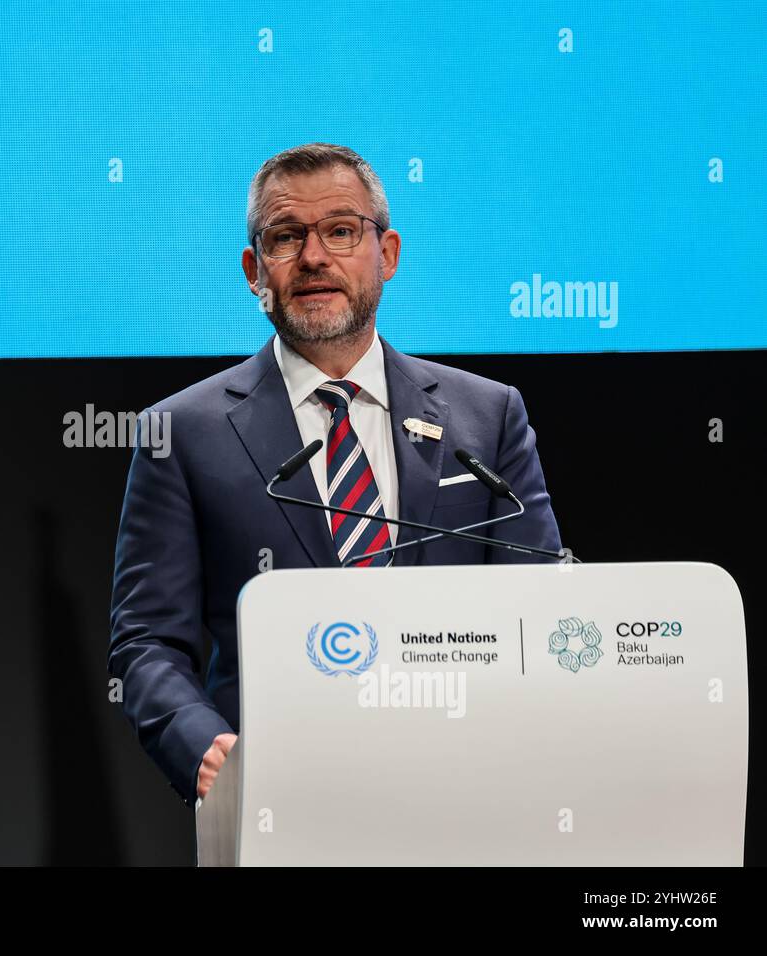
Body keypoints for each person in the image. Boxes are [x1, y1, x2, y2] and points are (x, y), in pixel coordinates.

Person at [108, 143, 561, 806]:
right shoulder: (180, 434)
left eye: (341, 231)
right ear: (252, 270)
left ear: (389, 253)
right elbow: (146, 641)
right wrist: (205, 747)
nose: (314, 257)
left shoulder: (487, 417)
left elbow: (540, 609)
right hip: (277, 797)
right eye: (285, 237)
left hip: (465, 793)